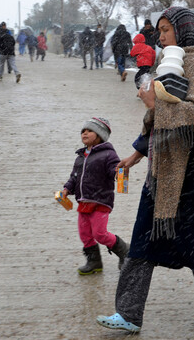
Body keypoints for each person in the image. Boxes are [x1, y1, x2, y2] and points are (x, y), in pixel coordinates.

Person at [96, 6, 194, 334]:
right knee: (142, 243)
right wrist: (137, 154)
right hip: (163, 172)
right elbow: (159, 122)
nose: (161, 36)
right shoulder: (169, 64)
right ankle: (129, 314)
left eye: (166, 30)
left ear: (184, 30)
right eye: (160, 31)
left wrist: (156, 104)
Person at [62, 117, 129, 275]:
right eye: (83, 131)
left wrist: (120, 173)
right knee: (85, 234)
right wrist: (67, 189)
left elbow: (115, 169)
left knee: (100, 233)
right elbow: (75, 177)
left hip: (100, 200)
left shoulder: (108, 154)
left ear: (100, 135)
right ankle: (94, 261)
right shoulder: (80, 157)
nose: (85, 133)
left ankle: (124, 251)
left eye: (90, 130)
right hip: (83, 202)